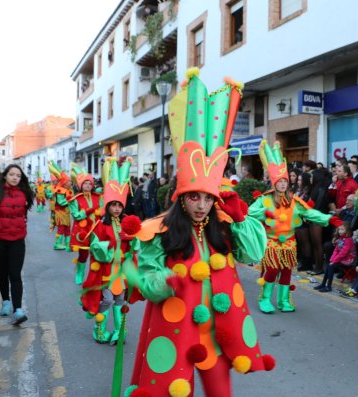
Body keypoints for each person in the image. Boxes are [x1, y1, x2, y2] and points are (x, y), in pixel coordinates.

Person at [123, 70, 274, 396]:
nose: (203, 205)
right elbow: (147, 281)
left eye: (208, 197)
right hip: (176, 334)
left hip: (217, 335)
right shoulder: (159, 230)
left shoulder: (221, 224)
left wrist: (240, 219)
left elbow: (254, 254)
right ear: (180, 196)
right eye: (195, 196)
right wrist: (165, 280)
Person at [249, 140, 341, 313]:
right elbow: (250, 212)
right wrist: (264, 213)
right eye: (280, 181)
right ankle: (265, 298)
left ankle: (284, 301)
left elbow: (310, 213)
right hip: (272, 242)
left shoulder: (294, 201)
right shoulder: (265, 199)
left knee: (285, 272)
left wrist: (328, 219)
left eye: (285, 181)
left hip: (289, 243)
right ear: (274, 182)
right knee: (272, 270)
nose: (283, 184)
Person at [80, 158, 141, 345]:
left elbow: (137, 245)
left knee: (120, 299)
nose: (116, 208)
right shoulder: (100, 224)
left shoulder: (127, 222)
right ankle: (99, 329)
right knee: (106, 299)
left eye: (119, 205)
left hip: (122, 270)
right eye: (113, 205)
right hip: (107, 270)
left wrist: (131, 239)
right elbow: (95, 246)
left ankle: (119, 330)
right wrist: (112, 245)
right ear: (107, 206)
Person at [0, 164, 34, 325]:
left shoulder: (24, 193)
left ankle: (18, 310)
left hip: (17, 240)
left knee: (15, 274)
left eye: (18, 175)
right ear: (5, 175)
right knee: (2, 274)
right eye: (12, 174)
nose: (15, 178)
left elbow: (24, 216)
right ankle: (6, 302)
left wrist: (22, 230)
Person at [68, 163, 102, 285]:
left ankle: (94, 276)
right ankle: (80, 272)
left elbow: (103, 210)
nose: (87, 186)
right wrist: (90, 210)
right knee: (83, 254)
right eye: (85, 183)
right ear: (80, 185)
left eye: (90, 183)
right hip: (82, 230)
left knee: (97, 252)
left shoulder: (98, 197)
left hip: (97, 228)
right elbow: (76, 216)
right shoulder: (75, 199)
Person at [314, 222, 356, 292]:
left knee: (331, 266)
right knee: (328, 264)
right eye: (339, 229)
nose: (340, 231)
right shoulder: (341, 239)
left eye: (342, 230)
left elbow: (343, 253)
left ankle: (329, 286)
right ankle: (323, 284)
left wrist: (334, 261)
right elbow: (336, 250)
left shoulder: (348, 240)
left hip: (349, 259)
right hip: (342, 258)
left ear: (347, 231)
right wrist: (332, 259)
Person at [48, 161, 73, 251]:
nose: (70, 182)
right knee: (61, 228)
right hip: (60, 213)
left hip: (66, 213)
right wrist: (70, 200)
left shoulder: (68, 190)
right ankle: (57, 244)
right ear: (64, 183)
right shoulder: (60, 191)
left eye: (70, 181)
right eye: (69, 181)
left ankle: (67, 243)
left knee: (67, 228)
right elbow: (61, 202)